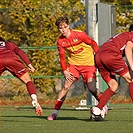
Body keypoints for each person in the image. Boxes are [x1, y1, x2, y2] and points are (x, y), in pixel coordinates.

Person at [47, 16, 107, 120]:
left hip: (89, 65)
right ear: (58, 29)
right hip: (74, 66)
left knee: (92, 88)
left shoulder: (79, 34)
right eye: (61, 28)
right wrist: (65, 70)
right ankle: (55, 112)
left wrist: (97, 60)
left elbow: (93, 43)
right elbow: (62, 58)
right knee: (66, 86)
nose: (63, 30)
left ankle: (103, 105)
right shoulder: (61, 41)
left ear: (68, 26)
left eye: (65, 27)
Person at [90, 24, 133, 121]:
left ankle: (96, 110)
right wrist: (132, 67)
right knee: (131, 79)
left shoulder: (120, 36)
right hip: (110, 55)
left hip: (98, 57)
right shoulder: (131, 35)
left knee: (113, 86)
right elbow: (128, 50)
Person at [0, 37, 42, 116]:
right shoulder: (8, 44)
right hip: (11, 58)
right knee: (28, 81)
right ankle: (34, 99)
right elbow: (19, 52)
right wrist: (29, 65)